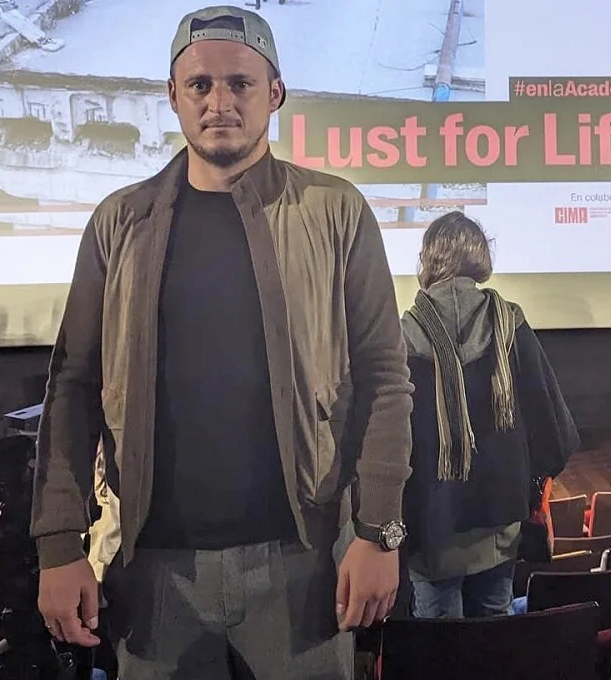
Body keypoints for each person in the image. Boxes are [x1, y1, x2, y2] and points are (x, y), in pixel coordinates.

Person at [30, 6, 414, 679]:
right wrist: (59, 544)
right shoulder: (120, 222)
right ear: (172, 95)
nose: (220, 102)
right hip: (153, 572)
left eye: (240, 83)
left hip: (302, 564)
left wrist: (380, 531)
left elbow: (386, 377)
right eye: (200, 85)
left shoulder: (335, 211)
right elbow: (72, 386)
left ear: (275, 93)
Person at [400, 211, 579, 618]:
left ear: (427, 259)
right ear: (479, 256)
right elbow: (551, 426)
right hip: (500, 524)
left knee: (440, 644)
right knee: (496, 638)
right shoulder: (510, 324)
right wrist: (530, 488)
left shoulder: (401, 336)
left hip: (433, 528)